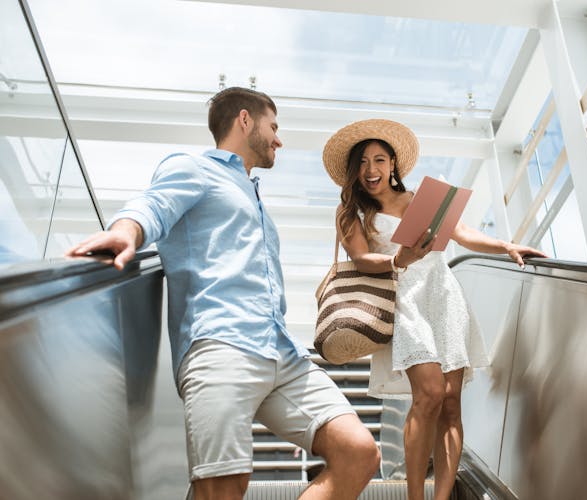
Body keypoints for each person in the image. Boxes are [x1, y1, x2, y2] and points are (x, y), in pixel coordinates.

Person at [66, 88, 380, 500]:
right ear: (245, 120)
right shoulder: (195, 168)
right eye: (274, 127)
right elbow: (153, 205)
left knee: (359, 452)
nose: (278, 139)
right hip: (222, 343)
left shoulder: (252, 193)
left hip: (282, 353)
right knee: (225, 488)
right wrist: (124, 232)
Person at [322, 118, 547, 500]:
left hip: (443, 296)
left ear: (393, 165)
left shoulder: (420, 202)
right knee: (427, 394)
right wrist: (398, 260)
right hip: (403, 300)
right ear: (354, 171)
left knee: (450, 404)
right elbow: (360, 259)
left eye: (379, 160)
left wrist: (505, 246)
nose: (371, 170)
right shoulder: (351, 214)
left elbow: (461, 233)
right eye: (362, 162)